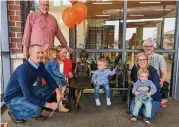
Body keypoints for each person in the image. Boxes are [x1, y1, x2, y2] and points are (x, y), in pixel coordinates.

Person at [3, 44, 63, 123]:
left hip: (25, 92)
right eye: (38, 53)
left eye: (42, 52)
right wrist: (49, 105)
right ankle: (15, 113)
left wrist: (58, 92)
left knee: (50, 87)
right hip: (13, 98)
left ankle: (35, 112)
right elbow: (28, 97)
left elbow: (49, 79)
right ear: (30, 53)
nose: (41, 55)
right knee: (36, 109)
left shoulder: (40, 65)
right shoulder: (23, 70)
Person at [130, 53, 161, 119]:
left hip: (153, 96)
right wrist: (133, 84)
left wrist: (147, 88)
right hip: (140, 95)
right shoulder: (135, 69)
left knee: (145, 114)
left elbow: (157, 87)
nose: (142, 61)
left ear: (147, 60)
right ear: (137, 61)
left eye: (144, 59)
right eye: (140, 60)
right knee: (132, 110)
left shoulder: (152, 70)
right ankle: (143, 106)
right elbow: (132, 78)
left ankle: (147, 107)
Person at [143, 38, 168, 108]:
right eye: (146, 46)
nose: (148, 48)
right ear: (143, 47)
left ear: (153, 47)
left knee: (164, 82)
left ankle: (161, 99)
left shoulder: (160, 57)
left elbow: (164, 73)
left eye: (150, 46)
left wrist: (162, 80)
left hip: (156, 79)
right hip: (144, 79)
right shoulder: (141, 57)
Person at [43, 47, 69, 112]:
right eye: (54, 53)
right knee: (62, 84)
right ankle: (60, 102)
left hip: (51, 78)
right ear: (50, 54)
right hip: (54, 78)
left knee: (63, 84)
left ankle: (60, 99)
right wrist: (63, 75)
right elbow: (55, 72)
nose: (56, 54)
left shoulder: (48, 62)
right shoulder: (52, 62)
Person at [56, 45, 73, 111]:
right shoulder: (53, 61)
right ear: (57, 53)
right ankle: (60, 106)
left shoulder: (68, 61)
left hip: (63, 81)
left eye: (66, 53)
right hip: (54, 81)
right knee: (60, 90)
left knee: (62, 90)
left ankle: (59, 105)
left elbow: (69, 71)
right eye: (63, 53)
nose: (65, 54)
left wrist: (70, 73)